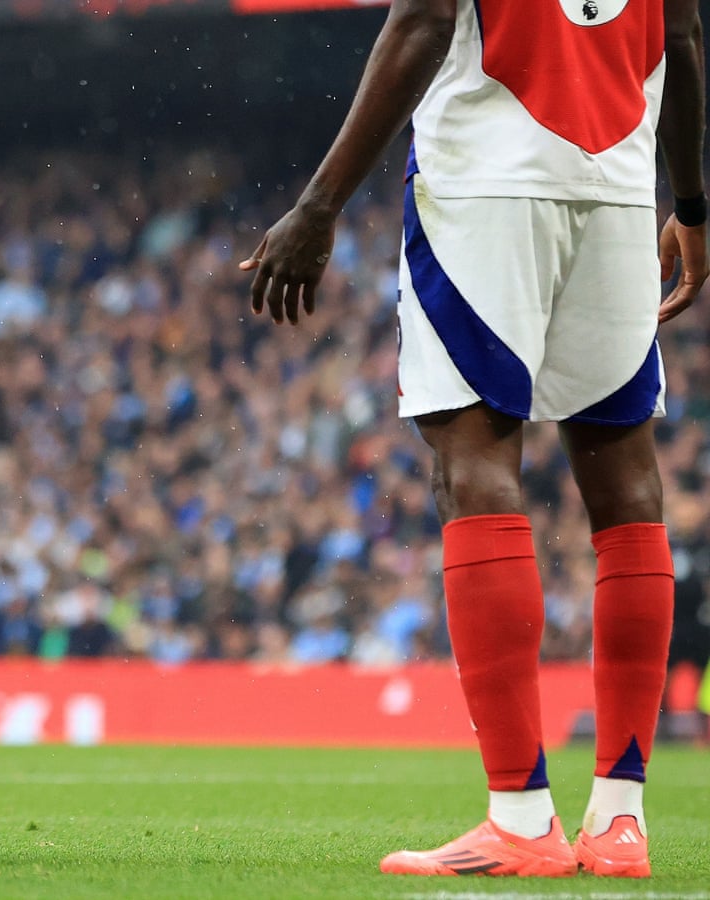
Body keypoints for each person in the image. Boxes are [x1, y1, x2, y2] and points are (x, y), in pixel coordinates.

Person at [242, 0, 707, 879]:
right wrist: (694, 204)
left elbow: (422, 18)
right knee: (627, 484)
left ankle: (522, 819)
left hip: (489, 175)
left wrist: (318, 202)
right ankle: (619, 824)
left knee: (476, 464)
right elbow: (680, 35)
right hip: (616, 183)